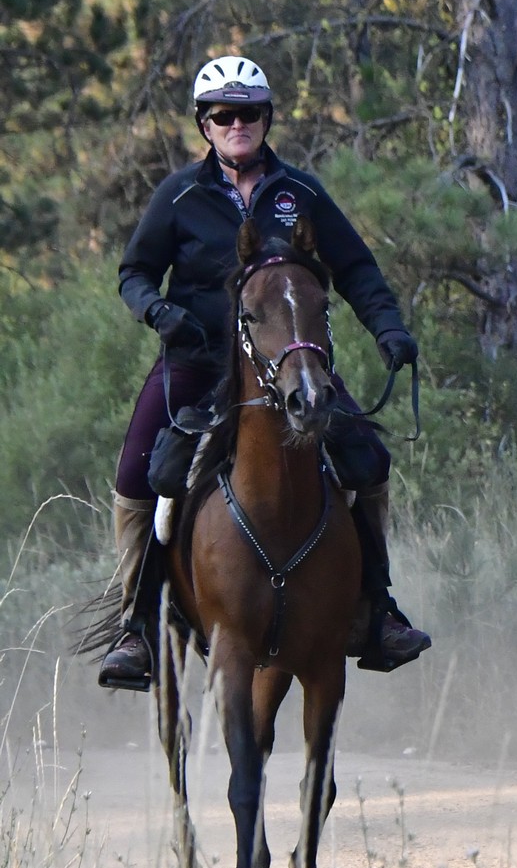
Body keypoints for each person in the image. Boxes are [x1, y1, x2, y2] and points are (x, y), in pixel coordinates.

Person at [98, 54, 432, 688]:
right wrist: (160, 312)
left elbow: (357, 270)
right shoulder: (180, 195)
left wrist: (388, 328)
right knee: (140, 474)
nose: (236, 123)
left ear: (266, 118)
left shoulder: (300, 193)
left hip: (290, 361)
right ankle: (136, 626)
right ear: (205, 124)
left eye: (247, 112)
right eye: (222, 114)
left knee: (368, 461)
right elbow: (133, 273)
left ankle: (376, 609)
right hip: (197, 363)